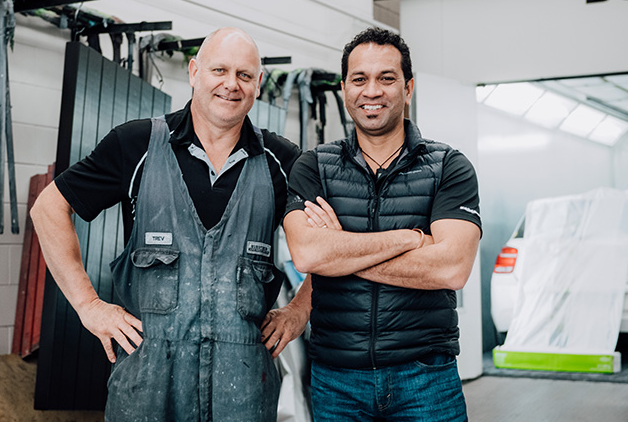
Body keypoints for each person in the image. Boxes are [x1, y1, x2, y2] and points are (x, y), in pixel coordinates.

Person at [31, 27, 301, 422]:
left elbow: (334, 241)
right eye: (219, 70)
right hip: (147, 391)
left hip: (242, 394)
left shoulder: (282, 161)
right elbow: (48, 209)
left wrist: (299, 310)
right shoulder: (136, 145)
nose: (231, 84)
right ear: (194, 72)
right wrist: (88, 306)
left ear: (258, 84)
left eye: (244, 75)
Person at [260, 27, 482, 421]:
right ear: (345, 88)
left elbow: (451, 267)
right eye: (360, 79)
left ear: (408, 88)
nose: (372, 91)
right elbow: (309, 253)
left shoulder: (448, 167)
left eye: (386, 78)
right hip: (337, 380)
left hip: (426, 378)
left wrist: (341, 247)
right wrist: (410, 238)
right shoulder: (315, 167)